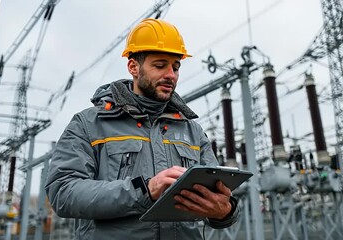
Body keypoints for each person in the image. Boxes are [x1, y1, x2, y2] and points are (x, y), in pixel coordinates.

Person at [45, 18, 239, 240]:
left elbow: (219, 196)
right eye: (160, 65)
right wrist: (143, 190)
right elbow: (63, 192)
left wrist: (225, 211)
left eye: (176, 67)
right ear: (133, 67)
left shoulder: (192, 131)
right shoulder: (89, 124)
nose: (171, 75)